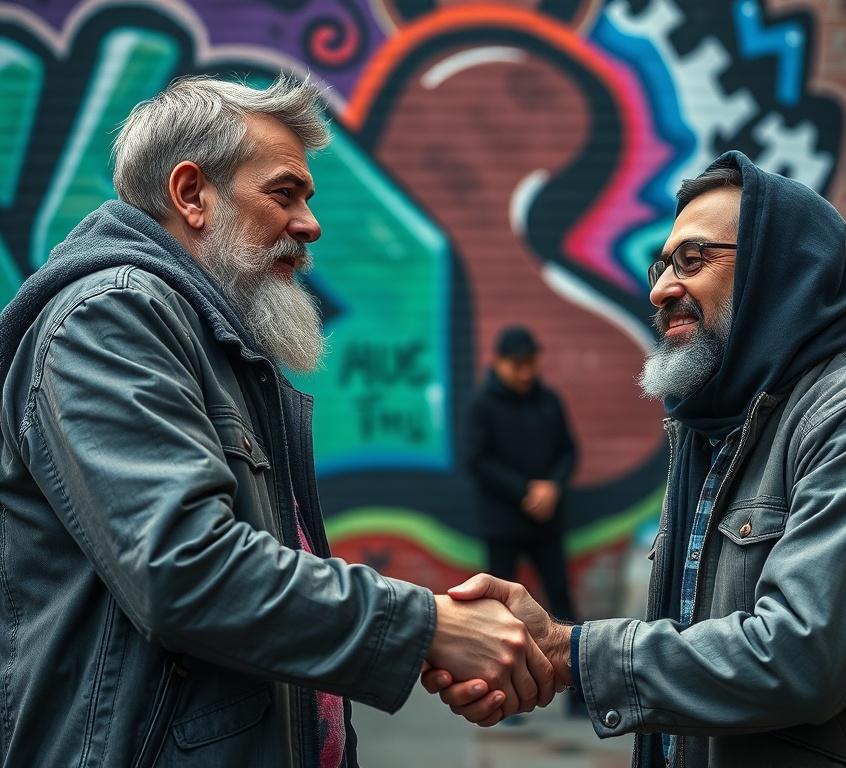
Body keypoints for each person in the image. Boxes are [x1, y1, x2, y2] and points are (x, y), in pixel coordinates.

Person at [0, 74, 554, 767]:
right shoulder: (111, 319)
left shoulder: (213, 343)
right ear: (192, 194)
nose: (310, 223)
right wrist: (429, 625)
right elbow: (186, 568)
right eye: (284, 193)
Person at [423, 151, 846, 767]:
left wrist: (569, 652)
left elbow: (799, 657)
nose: (661, 288)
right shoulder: (710, 428)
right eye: (660, 265)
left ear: (781, 269)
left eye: (692, 260)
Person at [466, 326, 577, 622]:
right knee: (499, 605)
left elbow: (569, 451)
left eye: (530, 363)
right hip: (502, 523)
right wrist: (526, 491)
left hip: (547, 520)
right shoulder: (481, 405)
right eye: (517, 365)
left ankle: (573, 660)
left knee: (561, 597)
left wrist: (552, 487)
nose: (525, 373)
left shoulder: (549, 400)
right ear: (498, 362)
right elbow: (476, 461)